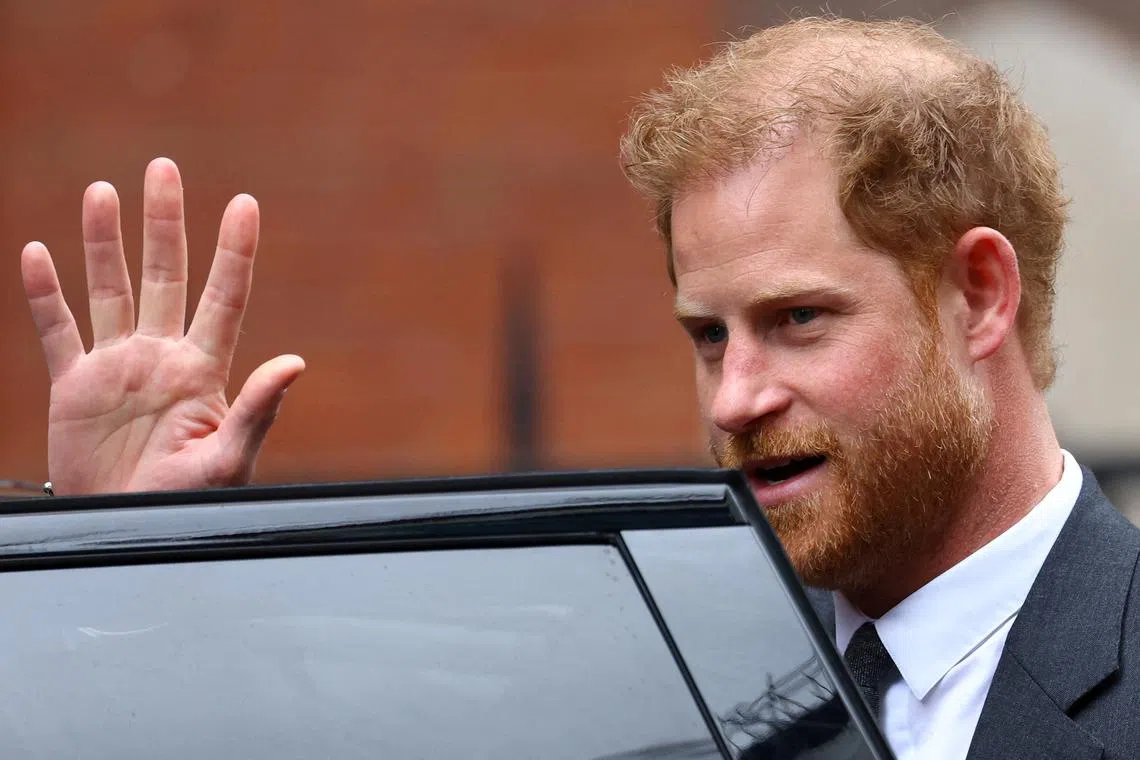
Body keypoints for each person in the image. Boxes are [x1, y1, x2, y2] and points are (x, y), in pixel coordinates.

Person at [19, 15, 1140, 760]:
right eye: (707, 335)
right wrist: (127, 579)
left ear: (981, 296)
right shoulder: (644, 662)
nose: (734, 398)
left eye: (798, 320)